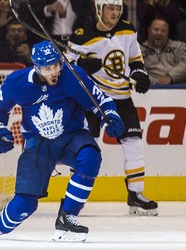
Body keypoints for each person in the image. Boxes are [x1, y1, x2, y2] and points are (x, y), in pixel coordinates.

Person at [0, 40, 124, 242]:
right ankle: (1, 226)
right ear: (36, 67)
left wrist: (111, 115)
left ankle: (67, 216)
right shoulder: (17, 83)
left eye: (56, 65)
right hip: (38, 142)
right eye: (47, 68)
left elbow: (100, 100)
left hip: (73, 135)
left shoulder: (74, 76)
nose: (53, 72)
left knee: (90, 157)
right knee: (25, 204)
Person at [65, 0, 158, 216]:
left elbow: (136, 60)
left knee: (134, 142)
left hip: (121, 97)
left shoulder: (128, 30)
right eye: (110, 8)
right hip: (92, 97)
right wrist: (83, 67)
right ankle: (73, 198)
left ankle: (135, 193)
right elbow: (67, 69)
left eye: (118, 8)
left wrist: (140, 75)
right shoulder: (81, 35)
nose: (115, 12)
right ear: (99, 9)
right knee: (86, 147)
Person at [141, 17, 186, 84]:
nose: (159, 33)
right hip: (150, 89)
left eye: (163, 31)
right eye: (156, 30)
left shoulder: (180, 46)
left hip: (177, 88)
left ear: (168, 33)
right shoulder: (138, 51)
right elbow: (136, 72)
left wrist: (169, 77)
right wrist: (155, 82)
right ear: (149, 31)